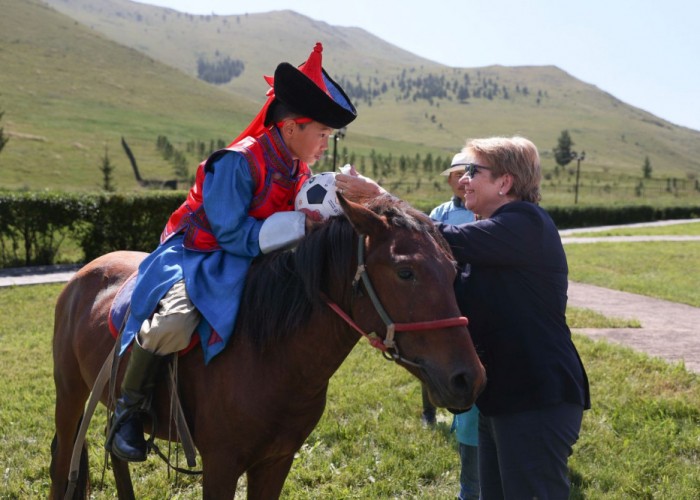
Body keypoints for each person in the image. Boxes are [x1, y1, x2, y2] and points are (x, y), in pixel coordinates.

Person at [105, 42, 357, 463]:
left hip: (258, 258)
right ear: (292, 127)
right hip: (202, 255)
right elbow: (230, 234)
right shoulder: (236, 163)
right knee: (173, 322)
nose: (325, 145)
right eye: (323, 134)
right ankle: (128, 413)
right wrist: (297, 226)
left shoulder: (299, 169)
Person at [336, 136, 590, 499]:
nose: (463, 179)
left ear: (505, 183)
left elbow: (434, 237)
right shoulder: (494, 235)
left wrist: (380, 196)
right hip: (502, 398)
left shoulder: (525, 223)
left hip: (537, 398)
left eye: (473, 171)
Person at [420, 151, 476, 426]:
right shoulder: (441, 213)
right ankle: (428, 411)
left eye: (467, 174)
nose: (462, 180)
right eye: (456, 175)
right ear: (450, 181)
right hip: (446, 289)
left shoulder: (483, 210)